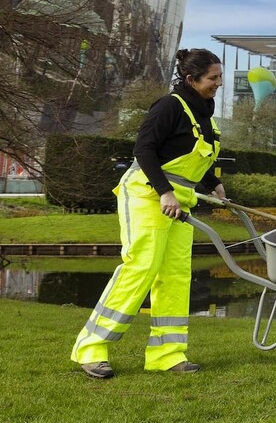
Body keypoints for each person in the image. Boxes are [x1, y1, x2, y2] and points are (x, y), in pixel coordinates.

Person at [70, 48, 225, 378]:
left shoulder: (205, 115)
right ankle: (91, 347)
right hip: (147, 194)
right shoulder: (170, 106)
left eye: (219, 77)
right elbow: (144, 149)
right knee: (141, 265)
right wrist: (164, 191)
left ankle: (167, 354)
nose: (219, 83)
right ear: (191, 79)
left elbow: (194, 156)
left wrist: (212, 183)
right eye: (213, 78)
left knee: (176, 275)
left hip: (181, 202)